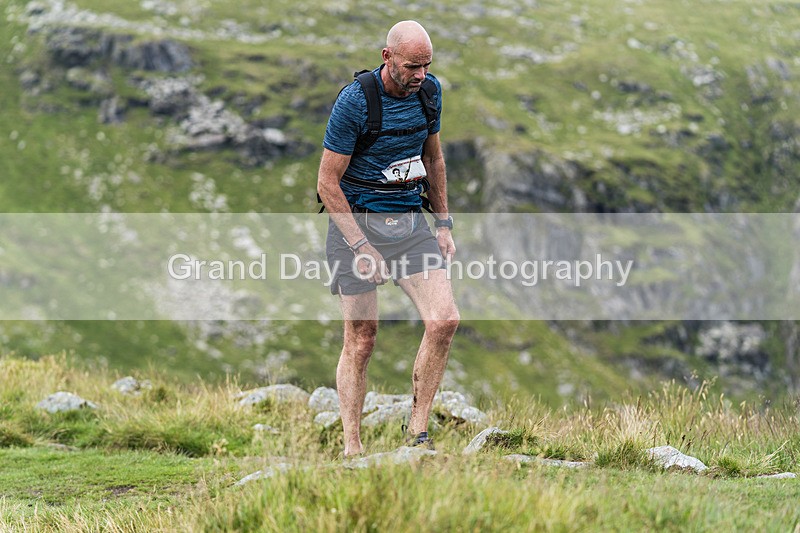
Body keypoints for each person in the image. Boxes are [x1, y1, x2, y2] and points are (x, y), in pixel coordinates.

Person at [316, 20, 460, 457]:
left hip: (409, 224)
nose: (420, 75)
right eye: (412, 66)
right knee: (362, 339)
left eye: (426, 65)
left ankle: (417, 432)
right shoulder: (355, 102)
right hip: (356, 227)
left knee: (444, 320)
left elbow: (433, 159)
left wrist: (443, 224)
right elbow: (327, 183)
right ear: (387, 57)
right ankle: (352, 448)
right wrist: (361, 247)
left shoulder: (429, 93)